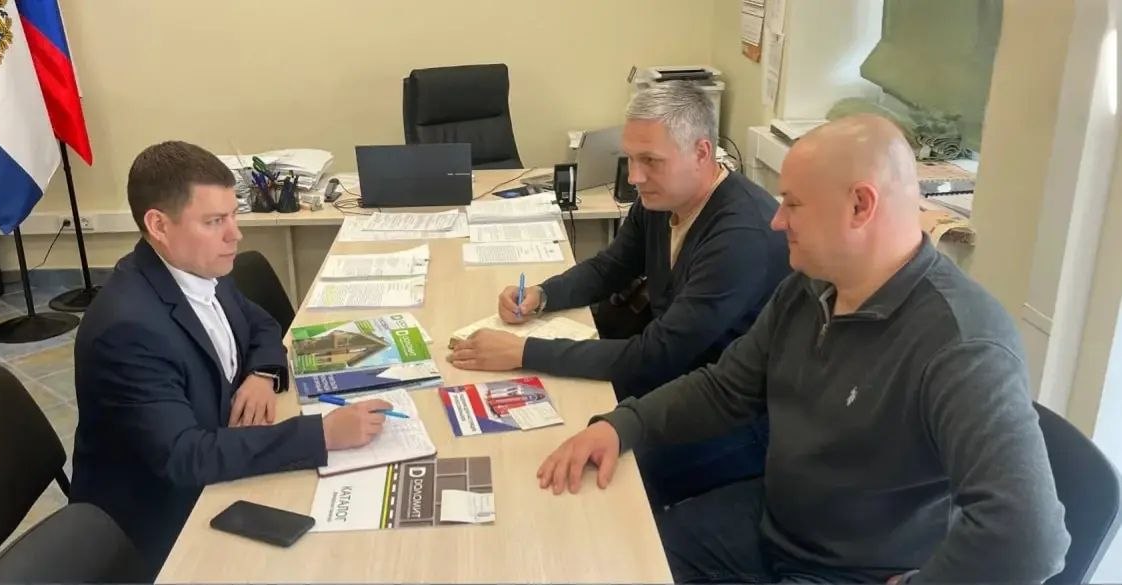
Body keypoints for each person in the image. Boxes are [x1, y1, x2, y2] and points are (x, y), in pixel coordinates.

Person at [536, 115, 1070, 583]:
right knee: (611, 554)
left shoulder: (962, 343)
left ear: (860, 205)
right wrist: (621, 425)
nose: (777, 220)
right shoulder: (810, 286)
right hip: (773, 522)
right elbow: (725, 389)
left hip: (852, 571)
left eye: (792, 204)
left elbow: (1030, 538)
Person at [71, 141, 391, 575]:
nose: (235, 234)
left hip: (219, 454)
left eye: (233, 215)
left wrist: (261, 374)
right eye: (214, 221)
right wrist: (321, 435)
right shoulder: (127, 329)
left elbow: (262, 325)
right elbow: (185, 456)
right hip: (161, 524)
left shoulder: (199, 268)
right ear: (159, 225)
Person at [450, 81, 789, 400]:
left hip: (719, 398)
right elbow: (611, 267)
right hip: (674, 373)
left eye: (650, 160)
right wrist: (543, 295)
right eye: (630, 158)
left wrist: (523, 352)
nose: (634, 176)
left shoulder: (741, 238)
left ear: (701, 153)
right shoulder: (663, 197)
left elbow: (659, 354)